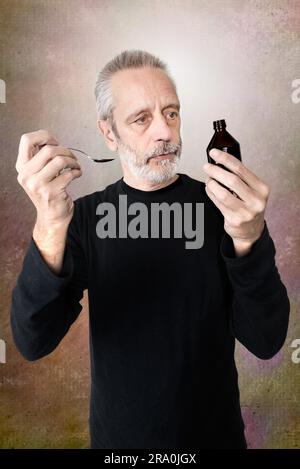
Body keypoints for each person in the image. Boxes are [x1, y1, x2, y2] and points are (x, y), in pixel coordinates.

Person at [11, 49, 290, 449]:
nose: (164, 131)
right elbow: (32, 341)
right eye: (141, 119)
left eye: (171, 113)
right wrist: (50, 225)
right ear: (109, 133)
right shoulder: (84, 218)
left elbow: (266, 341)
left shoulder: (225, 210)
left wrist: (249, 238)